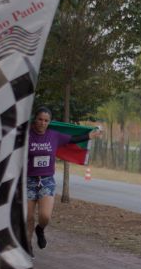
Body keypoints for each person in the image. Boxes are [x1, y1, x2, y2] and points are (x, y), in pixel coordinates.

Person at [26, 106, 102, 256]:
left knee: (45, 216)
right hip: (28, 181)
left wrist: (90, 136)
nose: (42, 123)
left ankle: (40, 229)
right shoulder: (26, 135)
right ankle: (27, 246)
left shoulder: (54, 136)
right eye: (40, 119)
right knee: (28, 218)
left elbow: (73, 140)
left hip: (46, 181)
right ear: (35, 119)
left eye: (46, 120)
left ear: (49, 122)